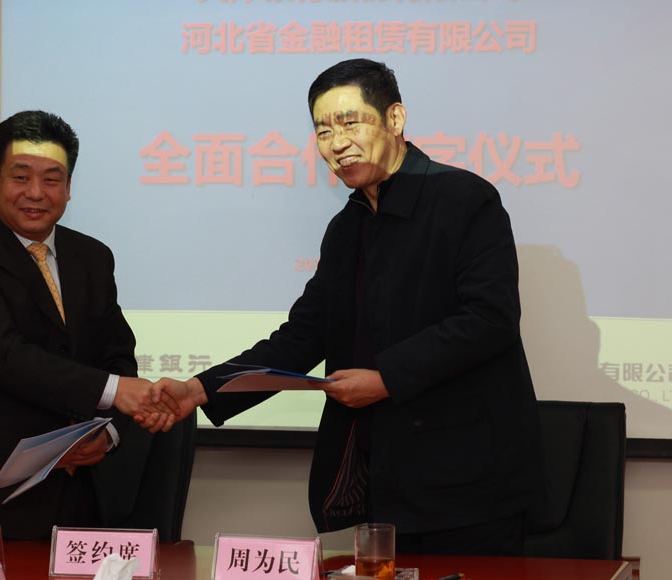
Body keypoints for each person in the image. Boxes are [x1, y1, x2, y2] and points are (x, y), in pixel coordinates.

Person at [141, 59, 543, 555]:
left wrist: (386, 377)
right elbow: (303, 337)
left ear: (395, 118)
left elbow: (489, 320)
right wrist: (198, 390)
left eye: (351, 122)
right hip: (385, 481)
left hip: (471, 484)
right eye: (323, 130)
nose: (336, 142)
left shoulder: (465, 198)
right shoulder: (347, 226)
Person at [0, 110, 175, 539]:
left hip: (75, 500)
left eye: (52, 179)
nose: (35, 193)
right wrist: (115, 390)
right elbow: (3, 356)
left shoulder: (92, 258)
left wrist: (109, 432)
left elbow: (117, 354)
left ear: (69, 188)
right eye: (21, 177)